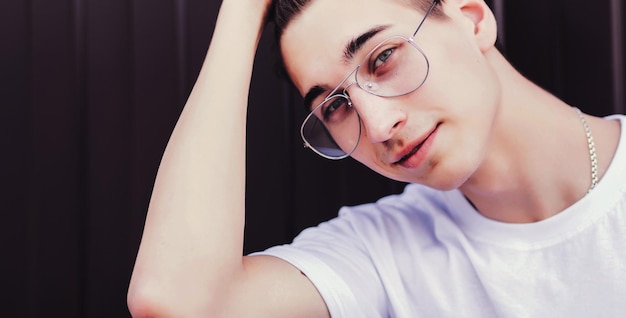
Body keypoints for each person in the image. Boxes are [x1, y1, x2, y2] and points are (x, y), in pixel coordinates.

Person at [127, 0, 626, 316]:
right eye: (337, 106)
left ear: (471, 19)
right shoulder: (382, 253)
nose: (379, 126)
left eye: (383, 58)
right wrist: (240, 12)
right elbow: (178, 302)